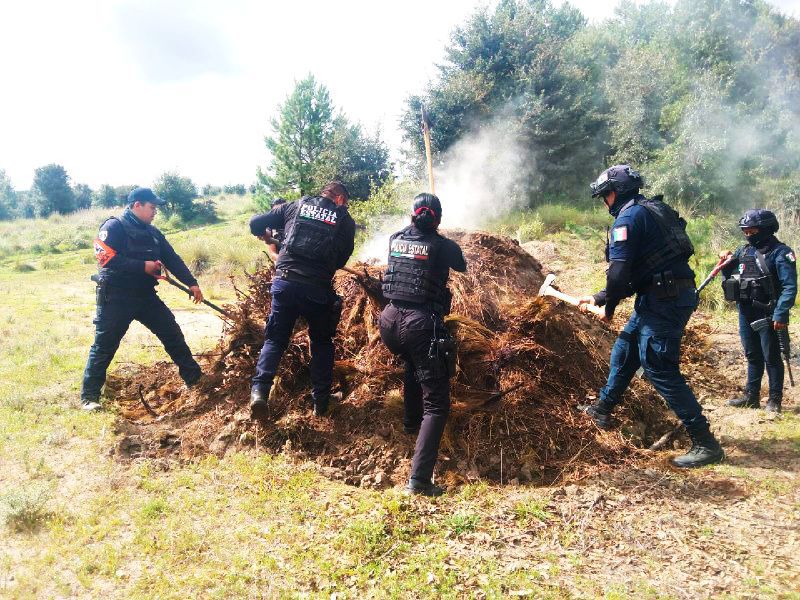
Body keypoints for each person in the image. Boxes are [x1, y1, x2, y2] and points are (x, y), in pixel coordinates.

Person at [577, 165, 724, 468]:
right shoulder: (653, 209)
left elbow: (619, 272)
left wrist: (610, 306)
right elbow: (647, 266)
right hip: (661, 294)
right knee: (626, 348)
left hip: (664, 300)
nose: (605, 202)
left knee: (658, 366)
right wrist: (601, 297)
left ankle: (705, 443)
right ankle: (602, 408)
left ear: (613, 193)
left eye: (604, 196)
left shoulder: (628, 217)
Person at [81, 187, 205, 411]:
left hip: (145, 296)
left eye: (155, 208)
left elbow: (172, 258)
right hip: (116, 297)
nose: (154, 212)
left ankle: (195, 380)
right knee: (104, 346)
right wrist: (142, 266)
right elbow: (104, 257)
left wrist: (192, 283)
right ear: (137, 205)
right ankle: (89, 397)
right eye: (152, 207)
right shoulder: (114, 226)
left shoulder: (153, 233)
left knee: (172, 334)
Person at [379, 193, 467, 496]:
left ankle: (409, 422)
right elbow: (462, 265)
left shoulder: (394, 238)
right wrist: (443, 237)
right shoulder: (443, 246)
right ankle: (419, 480)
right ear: (438, 218)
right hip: (419, 323)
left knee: (412, 365)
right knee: (438, 404)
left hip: (389, 321)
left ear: (411, 214)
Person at [248, 182, 355, 418]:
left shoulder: (294, 206)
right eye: (345, 203)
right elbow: (340, 260)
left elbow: (254, 223)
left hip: (285, 283)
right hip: (316, 291)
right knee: (321, 343)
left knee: (275, 339)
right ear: (339, 199)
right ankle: (321, 402)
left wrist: (266, 235)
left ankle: (259, 393)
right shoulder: (344, 219)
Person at [720, 209, 797, 413]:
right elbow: (731, 275)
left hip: (769, 313)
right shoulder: (744, 251)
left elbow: (790, 287)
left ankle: (774, 400)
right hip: (745, 311)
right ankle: (751, 396)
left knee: (771, 356)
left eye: (752, 231)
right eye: (745, 231)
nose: (748, 235)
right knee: (752, 355)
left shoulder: (781, 252)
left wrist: (781, 314)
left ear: (765, 229)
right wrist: (726, 259)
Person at [261, 197, 287, 263]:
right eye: (277, 212)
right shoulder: (271, 228)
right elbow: (273, 254)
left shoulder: (293, 223)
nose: (280, 214)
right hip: (282, 262)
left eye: (282, 210)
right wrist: (285, 262)